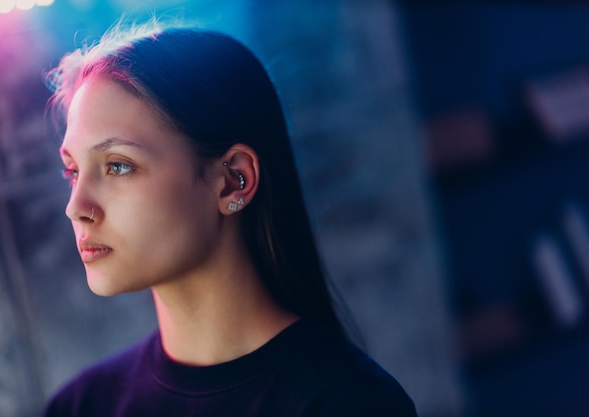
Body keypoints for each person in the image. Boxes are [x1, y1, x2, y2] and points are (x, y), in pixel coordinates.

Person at [42, 19, 417, 417]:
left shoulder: (350, 403)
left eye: (117, 166)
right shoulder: (80, 407)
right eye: (73, 171)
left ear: (232, 182)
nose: (76, 206)